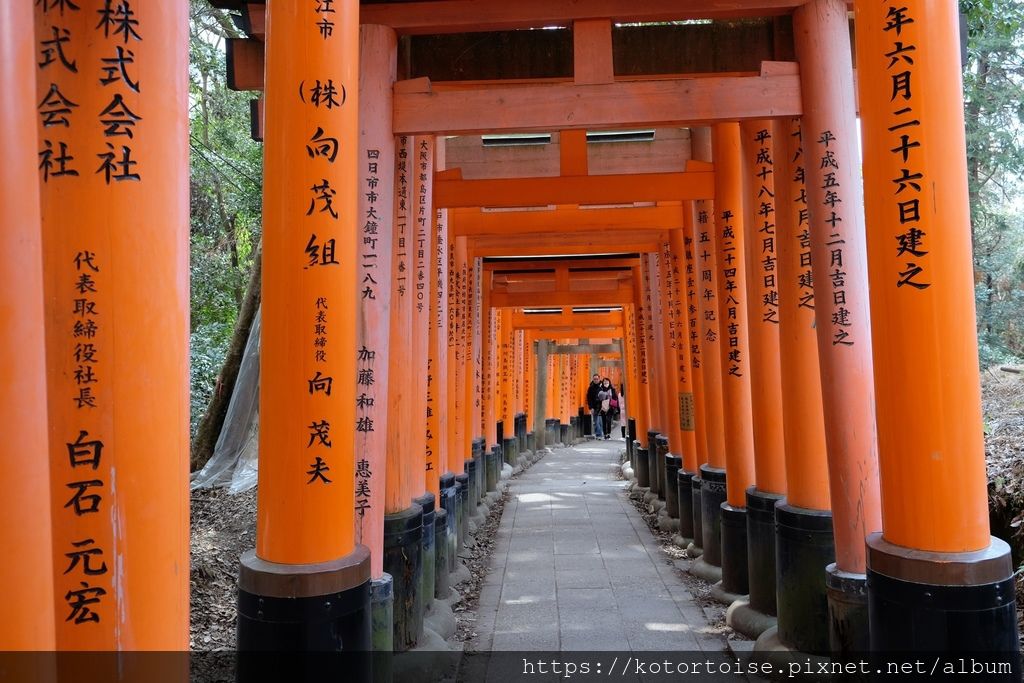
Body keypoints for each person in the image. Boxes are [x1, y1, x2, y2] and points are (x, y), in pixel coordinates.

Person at [586, 373, 604, 438]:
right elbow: (589, 398)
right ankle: (598, 434)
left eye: (597, 379)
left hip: (602, 406)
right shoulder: (590, 388)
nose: (595, 380)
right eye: (594, 379)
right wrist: (591, 407)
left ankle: (600, 433)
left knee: (600, 421)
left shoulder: (602, 387)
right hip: (594, 407)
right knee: (596, 421)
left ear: (599, 379)